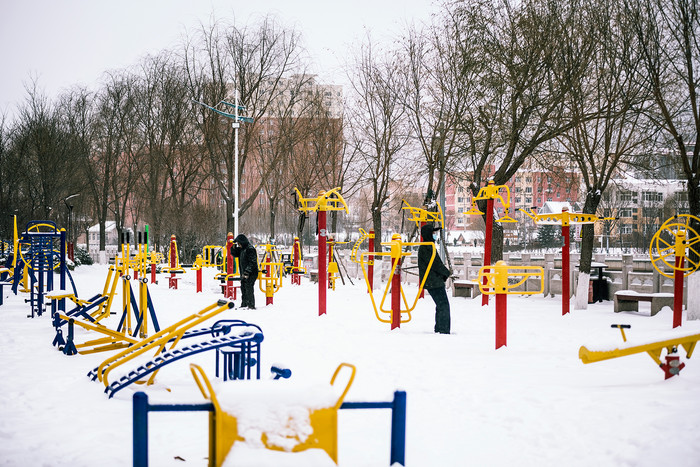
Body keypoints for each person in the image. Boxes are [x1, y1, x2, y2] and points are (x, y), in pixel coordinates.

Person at [418, 223, 452, 334]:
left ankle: (440, 328)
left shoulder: (428, 246)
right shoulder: (427, 247)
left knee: (441, 304)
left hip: (433, 280)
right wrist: (446, 273)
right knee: (443, 305)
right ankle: (443, 329)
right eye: (433, 233)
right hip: (433, 281)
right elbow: (435, 264)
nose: (434, 235)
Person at [232, 233, 259, 309]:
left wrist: (247, 271)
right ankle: (244, 304)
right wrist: (233, 247)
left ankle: (251, 305)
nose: (238, 245)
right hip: (244, 272)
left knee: (248, 286)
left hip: (251, 272)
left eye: (238, 243)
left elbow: (252, 262)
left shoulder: (250, 249)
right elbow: (234, 254)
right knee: (243, 287)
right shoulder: (242, 249)